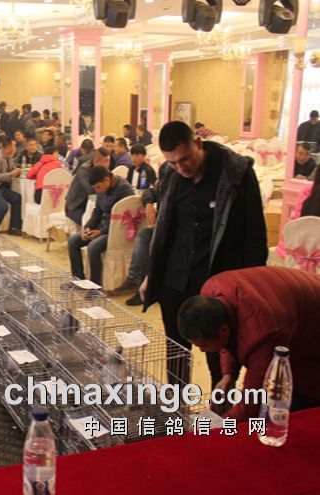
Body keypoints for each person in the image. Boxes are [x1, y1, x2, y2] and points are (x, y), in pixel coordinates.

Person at [141, 121, 268, 389]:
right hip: (175, 280)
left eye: (185, 159)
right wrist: (152, 274)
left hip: (218, 283)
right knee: (176, 352)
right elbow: (165, 231)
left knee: (219, 359)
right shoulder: (170, 174)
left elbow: (255, 236)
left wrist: (251, 288)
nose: (181, 168)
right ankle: (176, 408)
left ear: (198, 143)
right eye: (173, 163)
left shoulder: (236, 173)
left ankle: (219, 410)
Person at [178, 267, 320, 419]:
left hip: (313, 325)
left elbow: (252, 403)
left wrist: (219, 426)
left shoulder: (263, 333)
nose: (202, 351)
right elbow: (231, 331)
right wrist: (228, 374)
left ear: (223, 330)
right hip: (295, 305)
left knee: (298, 399)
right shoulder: (212, 292)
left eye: (204, 345)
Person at [67, 166, 134, 285]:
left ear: (107, 180)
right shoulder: (102, 189)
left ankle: (95, 285)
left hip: (116, 231)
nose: (97, 191)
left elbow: (121, 221)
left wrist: (101, 232)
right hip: (102, 227)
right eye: (95, 188)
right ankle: (78, 279)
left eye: (98, 187)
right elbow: (97, 211)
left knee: (93, 247)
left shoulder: (125, 191)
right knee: (73, 241)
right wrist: (88, 227)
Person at [112, 184, 159, 306]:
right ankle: (135, 278)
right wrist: (148, 204)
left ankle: (140, 285)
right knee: (144, 236)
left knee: (149, 243)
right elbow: (149, 192)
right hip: (160, 228)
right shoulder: (167, 187)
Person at [64, 147, 110, 226]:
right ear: (96, 161)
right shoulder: (84, 170)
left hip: (90, 205)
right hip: (75, 206)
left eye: (108, 160)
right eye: (105, 161)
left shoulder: (104, 169)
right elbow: (92, 191)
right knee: (92, 224)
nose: (108, 164)